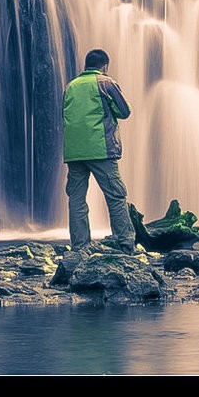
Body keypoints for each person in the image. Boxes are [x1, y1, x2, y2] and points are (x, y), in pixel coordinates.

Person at [61, 48, 138, 253]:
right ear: (105, 66)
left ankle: (80, 246)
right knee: (115, 196)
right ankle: (126, 244)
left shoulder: (70, 86)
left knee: (77, 200)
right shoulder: (106, 83)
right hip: (101, 149)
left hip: (74, 152)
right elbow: (125, 111)